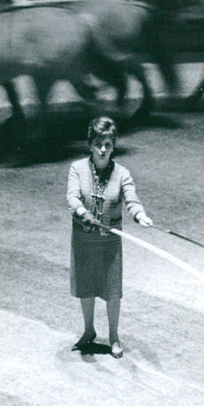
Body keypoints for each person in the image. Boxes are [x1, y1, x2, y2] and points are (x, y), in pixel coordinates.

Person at [67, 117, 153, 359]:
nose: (103, 150)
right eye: (98, 144)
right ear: (90, 145)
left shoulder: (122, 174)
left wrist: (140, 216)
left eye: (107, 144)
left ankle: (114, 336)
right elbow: (73, 198)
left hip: (109, 243)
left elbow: (131, 200)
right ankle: (88, 331)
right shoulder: (77, 168)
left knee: (112, 291)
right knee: (86, 288)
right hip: (83, 240)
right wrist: (83, 212)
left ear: (114, 145)